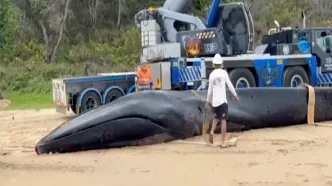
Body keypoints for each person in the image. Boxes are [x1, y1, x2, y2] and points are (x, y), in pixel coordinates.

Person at [205, 53, 239, 148]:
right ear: (221, 63)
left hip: (215, 102)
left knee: (216, 118)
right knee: (223, 121)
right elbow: (230, 85)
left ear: (214, 64)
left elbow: (210, 90)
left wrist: (207, 102)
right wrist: (235, 95)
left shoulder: (211, 75)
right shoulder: (224, 73)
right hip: (223, 101)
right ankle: (223, 141)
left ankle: (211, 132)